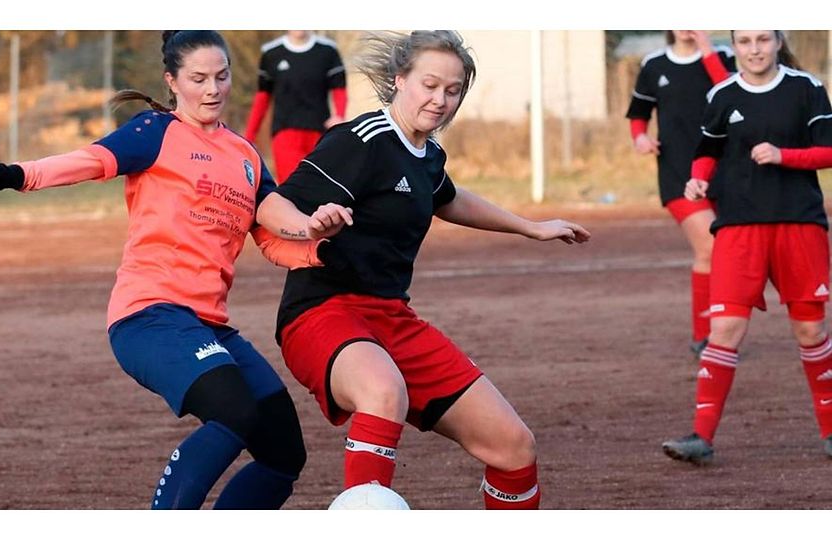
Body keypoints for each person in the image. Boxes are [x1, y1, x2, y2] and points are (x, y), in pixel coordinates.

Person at [0, 30, 345, 509]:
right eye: (199, 78)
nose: (213, 89)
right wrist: (17, 174)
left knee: (282, 450)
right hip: (149, 316)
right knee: (234, 413)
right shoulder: (157, 132)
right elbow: (91, 161)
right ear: (172, 81)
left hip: (210, 327)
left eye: (222, 77)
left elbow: (273, 228)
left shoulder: (245, 155)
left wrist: (316, 238)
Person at [256, 30, 591, 509]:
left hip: (392, 320)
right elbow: (272, 205)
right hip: (321, 313)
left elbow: (447, 198)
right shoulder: (362, 140)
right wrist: (310, 226)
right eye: (429, 85)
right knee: (383, 390)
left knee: (514, 447)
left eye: (452, 91)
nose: (440, 100)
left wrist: (529, 227)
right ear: (399, 80)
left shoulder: (428, 155)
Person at [662, 30, 832, 464]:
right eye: (744, 41)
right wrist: (699, 177)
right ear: (733, 46)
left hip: (799, 225)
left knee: (810, 330)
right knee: (724, 331)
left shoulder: (805, 88)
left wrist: (783, 155)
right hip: (738, 228)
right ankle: (701, 437)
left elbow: (827, 151)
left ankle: (830, 432)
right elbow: (707, 151)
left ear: (778, 41)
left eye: (762, 39)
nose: (754, 49)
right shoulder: (721, 93)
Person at [626, 30, 735, 357]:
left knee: (726, 252)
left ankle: (722, 333)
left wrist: (706, 48)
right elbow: (638, 113)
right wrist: (640, 138)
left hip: (725, 172)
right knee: (709, 245)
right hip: (677, 174)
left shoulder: (724, 57)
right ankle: (706, 336)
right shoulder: (654, 64)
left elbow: (729, 95)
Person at [243, 30, 348, 183]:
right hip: (285, 134)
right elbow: (262, 98)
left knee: (319, 187)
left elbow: (339, 89)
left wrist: (339, 115)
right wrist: (249, 137)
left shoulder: (328, 51)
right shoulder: (271, 53)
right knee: (291, 188)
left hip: (320, 134)